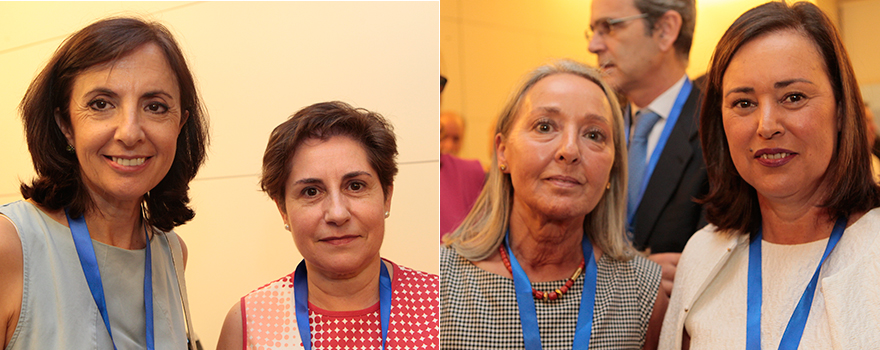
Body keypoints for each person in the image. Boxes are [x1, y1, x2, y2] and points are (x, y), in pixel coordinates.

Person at [660, 2, 880, 348]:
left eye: (793, 97)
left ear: (841, 110)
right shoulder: (702, 255)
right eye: (744, 103)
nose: (766, 126)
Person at [0, 17, 208, 349]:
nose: (130, 132)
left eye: (155, 107)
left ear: (180, 124)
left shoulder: (171, 253)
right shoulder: (10, 245)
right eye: (101, 104)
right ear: (65, 124)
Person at [441, 60, 665, 350]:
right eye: (544, 126)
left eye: (594, 134)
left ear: (613, 165)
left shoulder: (642, 290)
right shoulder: (442, 283)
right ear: (503, 151)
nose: (569, 150)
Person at [217, 101, 439, 349]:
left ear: (387, 196)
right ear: (283, 210)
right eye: (311, 191)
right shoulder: (248, 325)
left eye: (355, 186)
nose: (337, 213)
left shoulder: (440, 305)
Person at [587, 0, 707, 297]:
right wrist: (637, 274)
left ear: (665, 30)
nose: (593, 45)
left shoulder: (719, 132)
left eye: (610, 27)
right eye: (592, 30)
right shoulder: (590, 130)